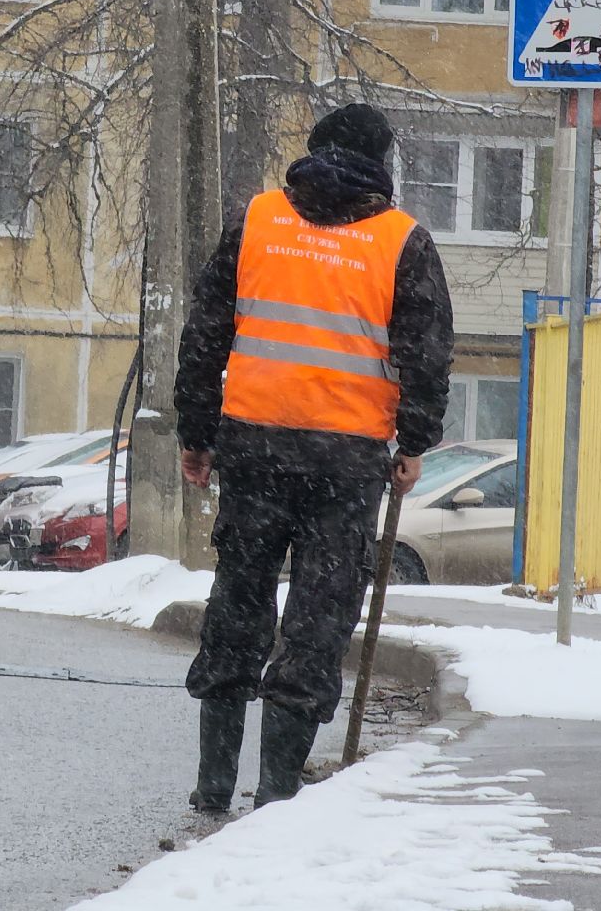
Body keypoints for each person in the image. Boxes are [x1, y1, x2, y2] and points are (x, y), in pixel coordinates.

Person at [173, 102, 452, 812]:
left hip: (254, 448)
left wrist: (197, 434)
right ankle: (276, 788)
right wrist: (414, 441)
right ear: (382, 165)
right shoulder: (402, 241)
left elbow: (206, 331)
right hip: (347, 460)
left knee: (240, 597)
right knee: (319, 612)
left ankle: (213, 780)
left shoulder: (260, 220)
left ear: (314, 148)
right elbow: (425, 352)